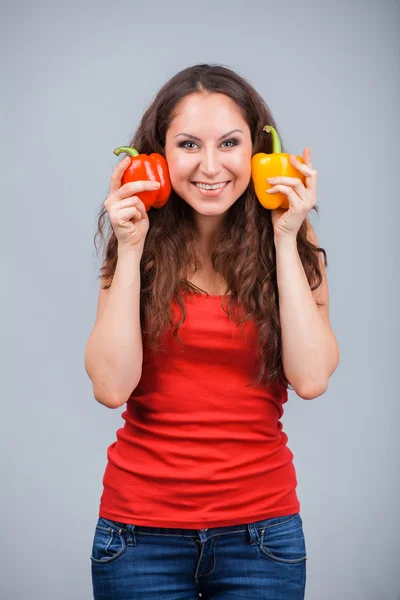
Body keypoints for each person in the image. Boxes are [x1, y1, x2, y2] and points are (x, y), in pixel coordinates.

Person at [85, 63, 340, 599]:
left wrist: (286, 235)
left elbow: (312, 377)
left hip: (262, 536)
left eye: (229, 143)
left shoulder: (294, 238)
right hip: (139, 536)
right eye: (187, 144)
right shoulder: (136, 244)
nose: (210, 165)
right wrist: (129, 249)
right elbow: (111, 388)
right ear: (159, 154)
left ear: (256, 150)